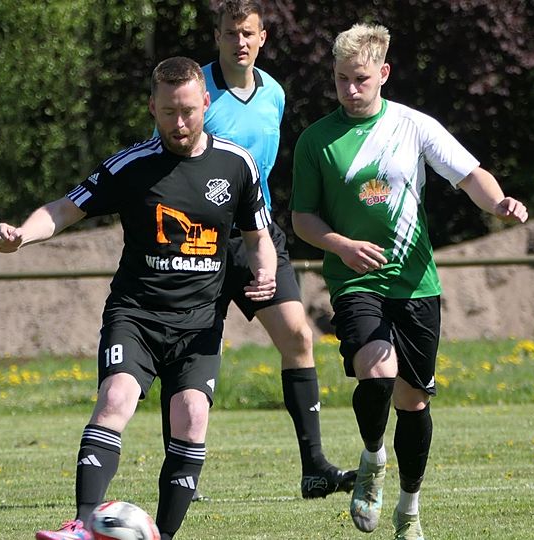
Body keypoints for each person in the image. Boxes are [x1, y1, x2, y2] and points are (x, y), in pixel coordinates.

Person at [0, 56, 277, 540]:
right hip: (137, 315)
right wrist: (22, 235)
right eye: (168, 112)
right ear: (152, 108)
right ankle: (82, 526)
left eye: (188, 111)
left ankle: (162, 535)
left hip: (199, 323)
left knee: (192, 417)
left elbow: (258, 235)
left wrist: (264, 270)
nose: (179, 123)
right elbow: (65, 209)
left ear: (206, 103)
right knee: (116, 398)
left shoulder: (236, 164)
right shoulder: (131, 165)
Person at [290, 23, 529, 540]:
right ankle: (373, 460)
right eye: (341, 79)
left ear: (384, 73)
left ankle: (409, 508)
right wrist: (341, 246)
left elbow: (469, 175)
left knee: (413, 401)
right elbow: (302, 218)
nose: (350, 89)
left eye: (360, 79)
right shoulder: (316, 140)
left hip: (416, 284)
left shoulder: (414, 126)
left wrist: (499, 203)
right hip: (356, 280)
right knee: (376, 370)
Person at [159, 0, 354, 500]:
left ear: (262, 37)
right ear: (217, 36)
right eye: (230, 33)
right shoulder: (194, 90)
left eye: (248, 33)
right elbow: (166, 156)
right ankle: (181, 475)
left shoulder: (274, 93)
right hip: (198, 240)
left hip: (258, 235)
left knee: (298, 336)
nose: (239, 42)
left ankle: (315, 468)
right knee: (189, 353)